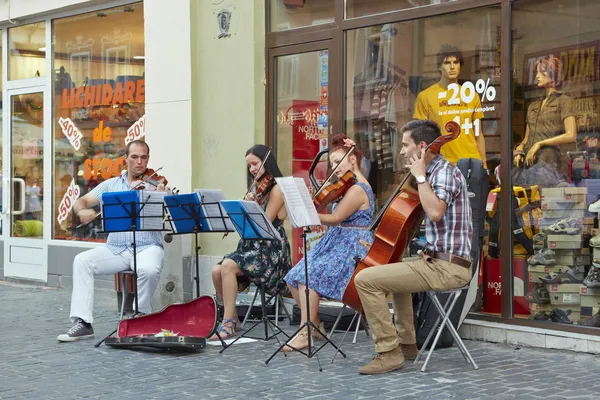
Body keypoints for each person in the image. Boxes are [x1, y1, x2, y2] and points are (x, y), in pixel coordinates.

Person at [354, 119, 473, 375]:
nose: (401, 151)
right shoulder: (431, 174)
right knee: (393, 269)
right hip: (434, 261)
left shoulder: (445, 173)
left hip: (448, 267)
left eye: (405, 145)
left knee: (365, 280)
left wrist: (419, 176)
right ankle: (407, 344)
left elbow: (434, 212)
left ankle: (388, 351)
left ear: (422, 146)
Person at [57, 140, 166, 342]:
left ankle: (140, 317)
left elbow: (170, 215)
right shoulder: (111, 185)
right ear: (126, 160)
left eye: (143, 157)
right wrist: (82, 211)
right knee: (82, 260)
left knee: (149, 269)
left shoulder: (156, 184)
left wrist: (163, 198)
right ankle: (83, 323)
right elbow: (81, 201)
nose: (139, 162)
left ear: (148, 159)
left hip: (147, 246)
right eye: (134, 157)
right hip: (116, 248)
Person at [283, 133, 375, 352]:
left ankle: (305, 333)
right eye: (332, 163)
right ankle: (314, 326)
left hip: (352, 246)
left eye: (337, 162)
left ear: (352, 159)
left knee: (309, 277)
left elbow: (335, 219)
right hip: (337, 241)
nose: (334, 168)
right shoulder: (346, 187)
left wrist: (307, 214)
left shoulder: (358, 189)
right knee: (293, 276)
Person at [209, 145, 292, 340]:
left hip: (271, 252)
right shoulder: (258, 188)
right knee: (216, 271)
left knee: (228, 266)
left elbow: (265, 223)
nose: (252, 169)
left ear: (266, 161)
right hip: (252, 248)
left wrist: (251, 208)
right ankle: (232, 318)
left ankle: (227, 323)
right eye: (249, 166)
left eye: (255, 163)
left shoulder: (277, 189)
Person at [413, 44, 487, 168]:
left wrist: (484, 165)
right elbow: (419, 137)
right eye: (447, 63)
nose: (452, 67)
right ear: (439, 67)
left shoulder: (471, 95)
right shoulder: (425, 96)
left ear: (460, 66)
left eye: (456, 62)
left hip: (471, 162)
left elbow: (478, 134)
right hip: (441, 163)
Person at [513, 55, 577, 188]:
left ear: (553, 74)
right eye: (536, 72)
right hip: (528, 164)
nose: (537, 76)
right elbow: (526, 139)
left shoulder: (564, 101)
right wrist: (519, 151)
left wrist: (539, 144)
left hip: (549, 163)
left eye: (542, 72)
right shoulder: (533, 106)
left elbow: (571, 135)